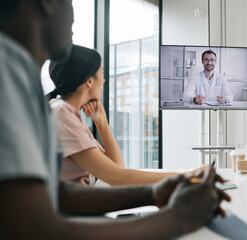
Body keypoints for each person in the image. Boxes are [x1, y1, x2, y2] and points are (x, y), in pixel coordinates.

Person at [0, 1, 230, 239]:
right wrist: (178, 218)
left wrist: (152, 193)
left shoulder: (26, 80)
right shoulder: (13, 75)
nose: (73, 16)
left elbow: (58, 194)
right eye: (68, 1)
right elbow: (33, 227)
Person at [49, 44, 198, 186]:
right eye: (101, 73)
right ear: (89, 81)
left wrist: (102, 123)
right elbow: (118, 178)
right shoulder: (62, 113)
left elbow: (117, 167)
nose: (104, 80)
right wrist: (189, 176)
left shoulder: (69, 114)